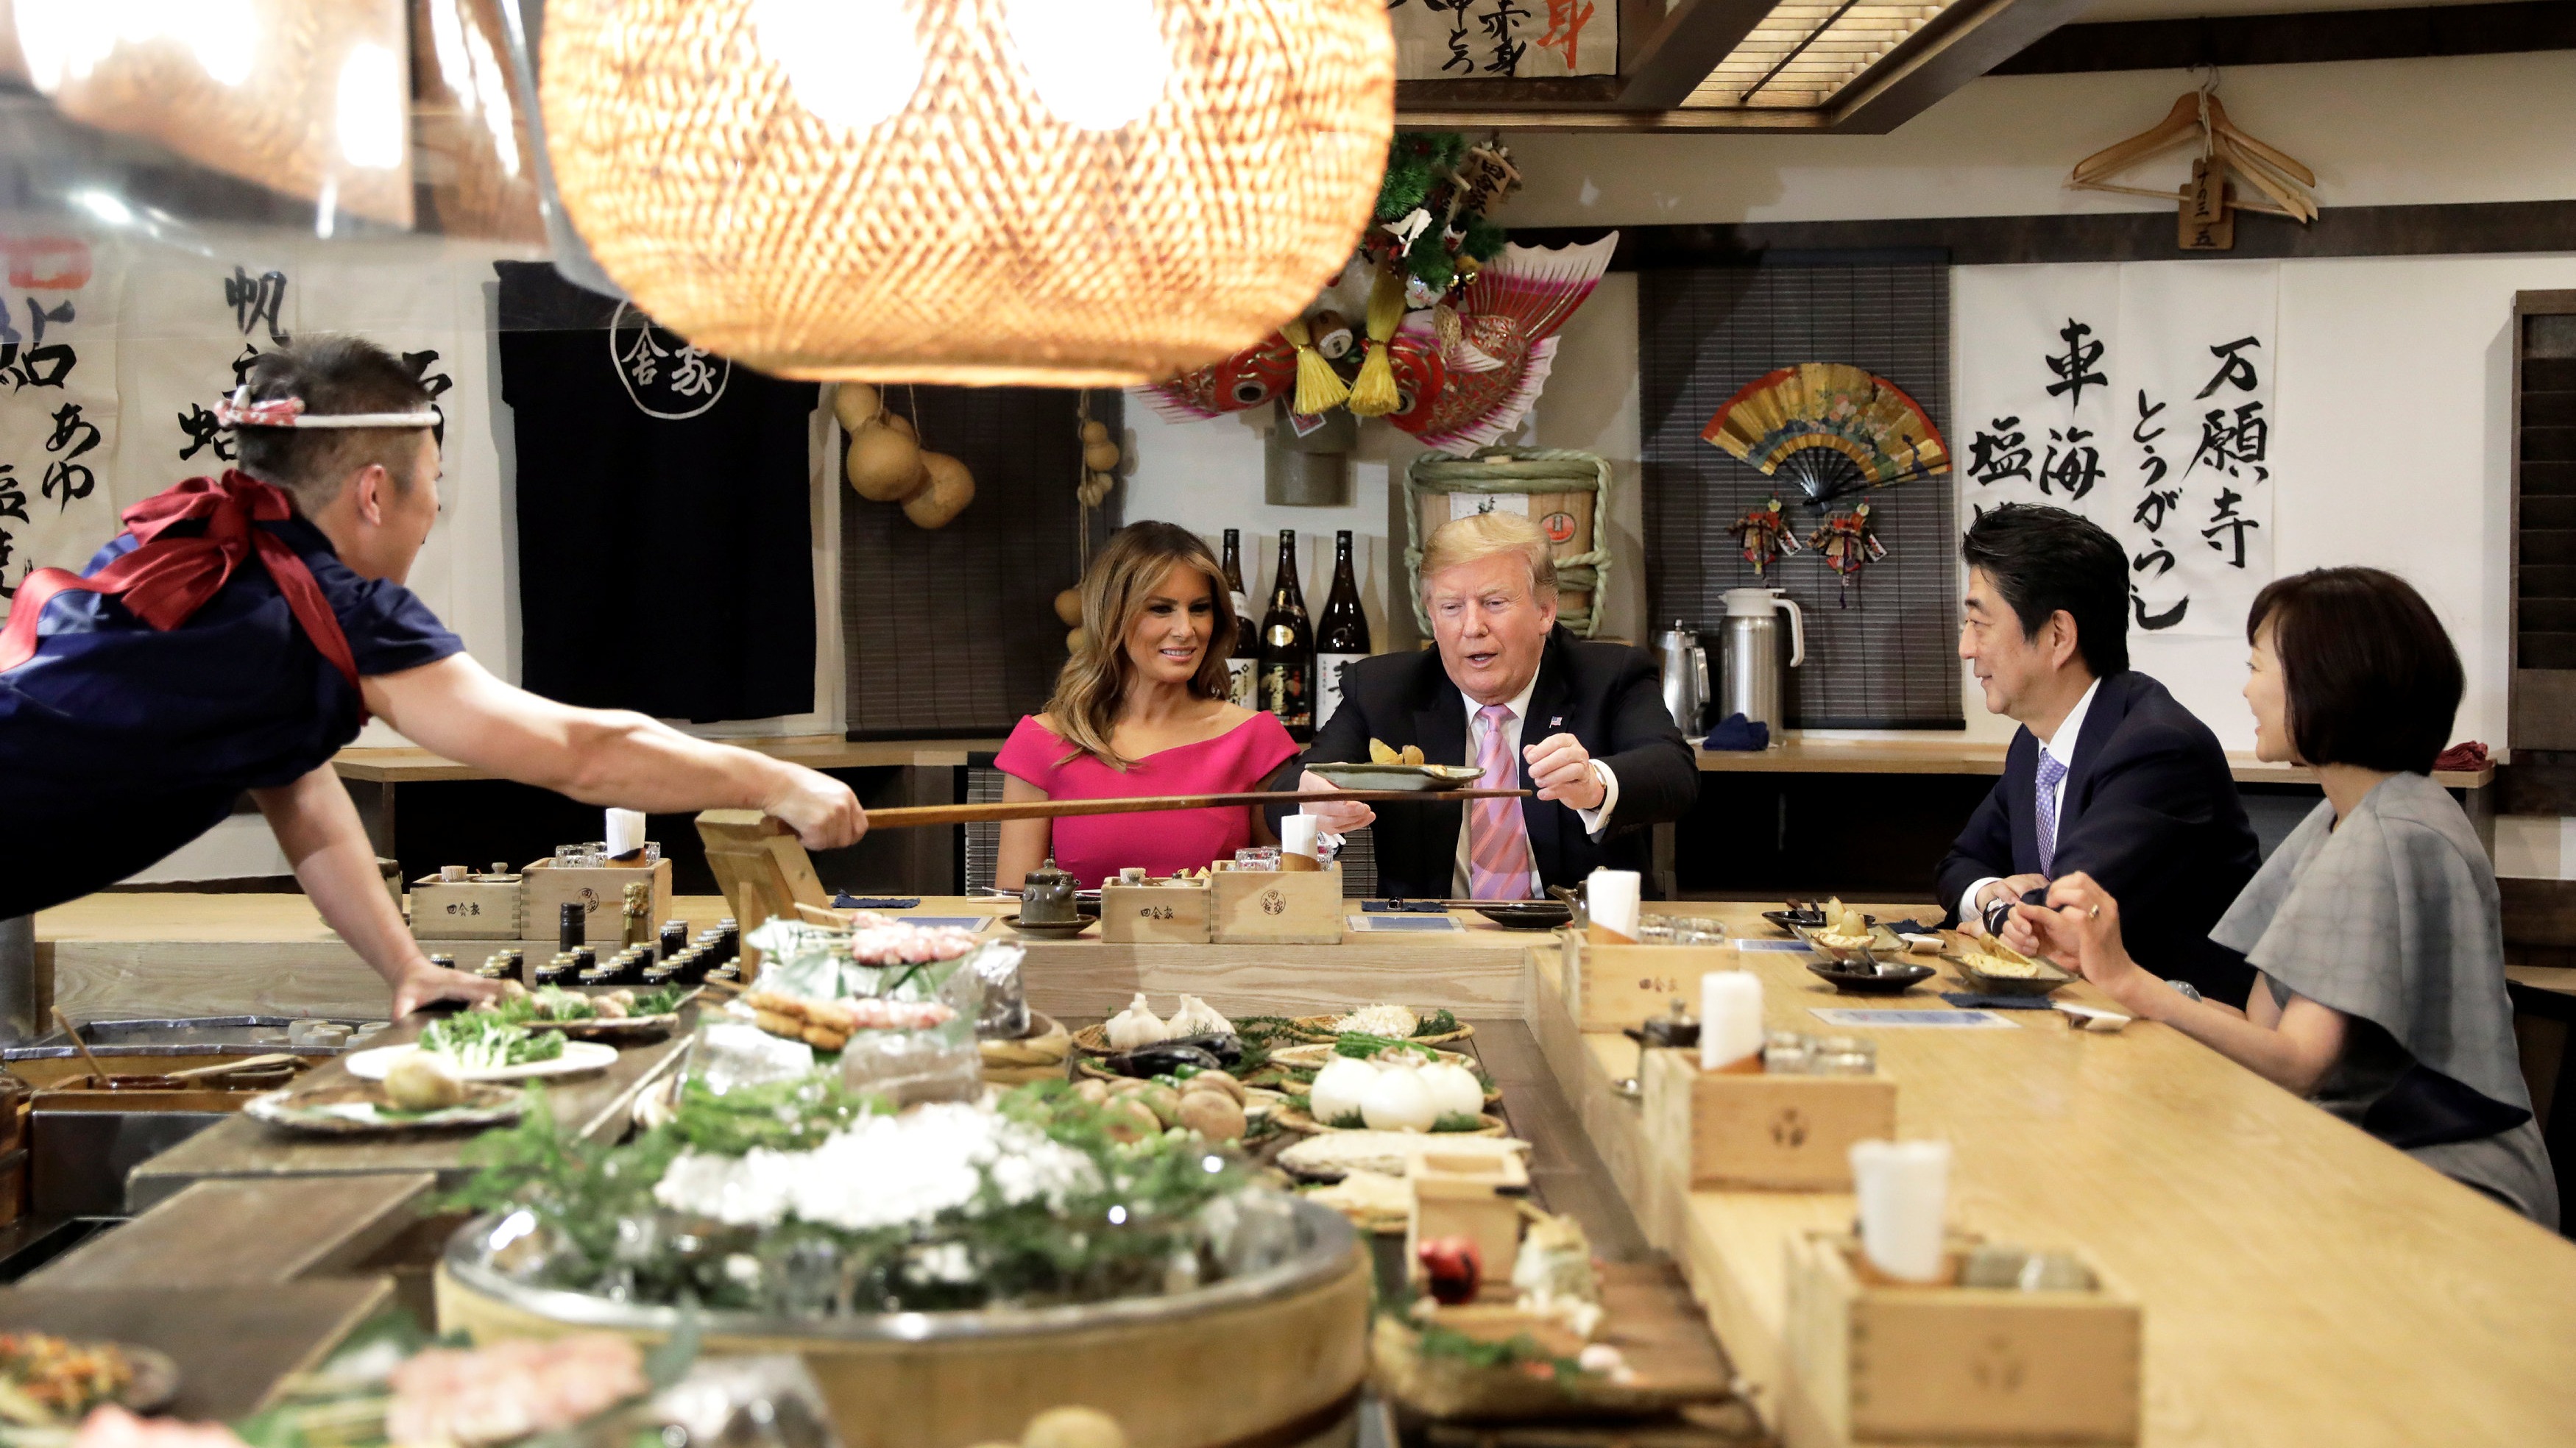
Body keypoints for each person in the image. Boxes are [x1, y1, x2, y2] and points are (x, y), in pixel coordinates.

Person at [0, 337, 865, 1015]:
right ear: (375, 493)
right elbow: (579, 755)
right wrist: (774, 779)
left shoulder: (202, 557)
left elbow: (305, 802)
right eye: (434, 490)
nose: (430, 520)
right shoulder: (329, 606)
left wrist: (408, 969)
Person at [2009, 568, 2557, 1228]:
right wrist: (2113, 968)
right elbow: (2262, 1031)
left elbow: (2298, 1066)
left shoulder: (2390, 833)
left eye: (2257, 665)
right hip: (2363, 1153)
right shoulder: (2344, 817)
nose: (2246, 688)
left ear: (2326, 681)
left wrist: (2130, 984)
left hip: (2449, 1183)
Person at [1280, 511, 1696, 900]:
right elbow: (1285, 793)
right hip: (1432, 945)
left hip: (1576, 937)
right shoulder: (1382, 689)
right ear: (1431, 615)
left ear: (1545, 611)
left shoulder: (1608, 675)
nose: (1472, 628)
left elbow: (1674, 774)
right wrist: (1310, 802)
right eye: (1451, 607)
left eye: (1495, 603)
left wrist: (1595, 785)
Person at [1936, 503, 2260, 1002]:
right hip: (2081, 1016)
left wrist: (1997, 918)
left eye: (1980, 624)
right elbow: (1960, 863)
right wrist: (1989, 894)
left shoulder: (2157, 747)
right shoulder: (2035, 743)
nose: (1965, 647)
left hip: (2187, 1042)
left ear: (2058, 636)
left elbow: (2061, 920)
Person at [995, 522, 1299, 889]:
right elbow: (1014, 907)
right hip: (1087, 946)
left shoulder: (1256, 738)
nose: (1186, 629)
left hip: (1217, 947)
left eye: (1199, 609)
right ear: (1113, 615)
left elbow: (1284, 897)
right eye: (1161, 609)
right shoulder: (1042, 741)